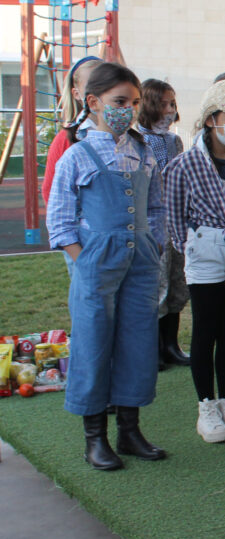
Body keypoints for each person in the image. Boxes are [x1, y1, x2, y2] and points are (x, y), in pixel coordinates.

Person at [46, 61, 166, 471]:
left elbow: (156, 205)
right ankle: (94, 437)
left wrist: (155, 245)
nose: (128, 109)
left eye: (133, 102)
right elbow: (59, 221)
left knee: (137, 340)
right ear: (93, 102)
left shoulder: (142, 151)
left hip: (141, 260)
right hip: (96, 262)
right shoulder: (76, 155)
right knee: (94, 343)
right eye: (119, 102)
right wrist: (86, 261)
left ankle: (129, 431)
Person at [164, 80, 225, 444]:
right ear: (210, 120)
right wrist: (188, 244)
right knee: (205, 328)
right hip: (204, 247)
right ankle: (206, 407)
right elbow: (172, 214)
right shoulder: (184, 164)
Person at [137, 79, 189, 368]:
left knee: (177, 282)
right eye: (165, 104)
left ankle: (171, 345)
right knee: (157, 284)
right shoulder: (138, 139)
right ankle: (152, 348)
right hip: (153, 222)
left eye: (173, 104)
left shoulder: (174, 140)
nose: (170, 110)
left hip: (177, 220)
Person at [42, 55, 102, 204]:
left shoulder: (124, 136)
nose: (100, 91)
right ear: (77, 94)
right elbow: (51, 193)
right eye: (92, 86)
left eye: (107, 84)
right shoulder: (67, 139)